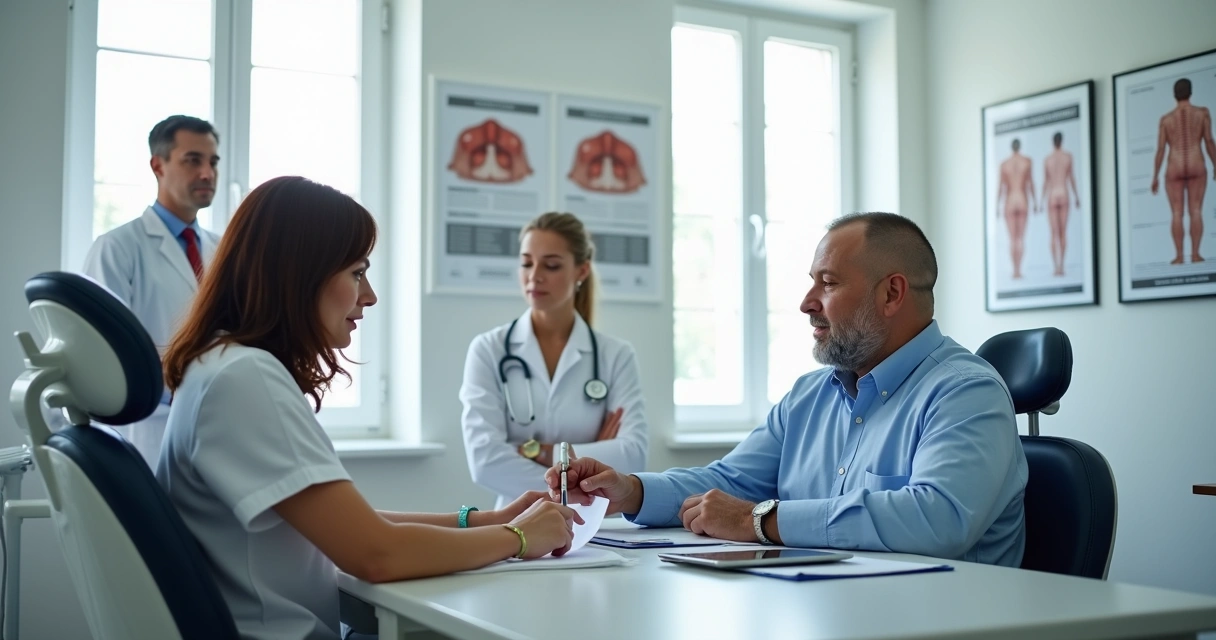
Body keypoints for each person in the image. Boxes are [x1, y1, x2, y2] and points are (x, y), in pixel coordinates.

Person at [157, 176, 581, 640]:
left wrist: (485, 521)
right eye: (357, 273)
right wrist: (518, 540)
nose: (370, 295)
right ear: (299, 274)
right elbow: (377, 554)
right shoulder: (244, 379)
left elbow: (357, 526)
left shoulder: (222, 366)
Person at [547, 212, 1029, 567]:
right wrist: (629, 491)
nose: (806, 303)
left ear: (891, 293)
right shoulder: (809, 396)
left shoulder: (967, 393)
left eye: (829, 283)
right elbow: (729, 485)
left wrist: (759, 521)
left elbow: (936, 518)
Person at [460, 212, 648, 509]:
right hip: (517, 521)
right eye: (526, 263)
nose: (534, 275)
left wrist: (541, 451)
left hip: (596, 525)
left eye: (551, 265)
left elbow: (634, 454)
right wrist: (586, 464)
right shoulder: (488, 350)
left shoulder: (616, 356)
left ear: (582, 271)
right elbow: (485, 462)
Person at [83, 114, 223, 465]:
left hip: (218, 426)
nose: (207, 173)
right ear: (157, 165)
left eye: (213, 162)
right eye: (193, 160)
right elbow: (103, 353)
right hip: (146, 432)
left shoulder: (224, 252)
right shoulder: (117, 248)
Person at [1151, 77, 1216, 265]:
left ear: (1174, 95)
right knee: (1196, 211)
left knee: (1177, 213)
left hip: (1174, 165)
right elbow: (1209, 141)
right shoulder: (1202, 113)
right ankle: (1195, 254)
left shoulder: (1166, 119)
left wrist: (1155, 176)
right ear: (1191, 92)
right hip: (1196, 163)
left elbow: (1161, 149)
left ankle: (1180, 256)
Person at [1038, 132, 1081, 276]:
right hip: (1063, 194)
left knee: (1053, 233)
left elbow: (1046, 182)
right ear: (1062, 141)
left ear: (1052, 142)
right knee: (1062, 233)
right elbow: (1071, 179)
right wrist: (1076, 197)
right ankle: (1061, 266)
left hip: (1052, 196)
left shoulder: (1048, 159)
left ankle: (1056, 266)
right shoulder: (1067, 157)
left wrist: (1040, 200)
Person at [996, 138, 1036, 279]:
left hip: (1010, 201)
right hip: (1022, 200)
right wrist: (1036, 202)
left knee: (1013, 239)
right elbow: (1030, 184)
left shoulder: (1004, 164)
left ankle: (1015, 271)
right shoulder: (1027, 161)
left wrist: (997, 206)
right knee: (1020, 239)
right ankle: (1018, 270)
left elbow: (1001, 188)